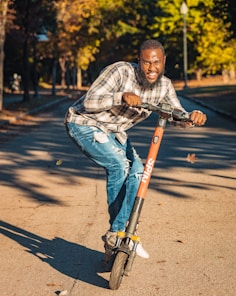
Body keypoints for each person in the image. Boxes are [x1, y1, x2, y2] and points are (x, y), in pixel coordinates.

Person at [64, 39, 207, 259]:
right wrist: (120, 96)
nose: (152, 68)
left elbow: (176, 114)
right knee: (119, 166)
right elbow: (89, 102)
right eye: (147, 62)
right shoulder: (120, 72)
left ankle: (125, 233)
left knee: (139, 172)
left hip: (114, 132)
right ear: (138, 60)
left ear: (164, 61)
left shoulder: (164, 86)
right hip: (85, 124)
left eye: (157, 62)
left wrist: (191, 117)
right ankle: (118, 232)